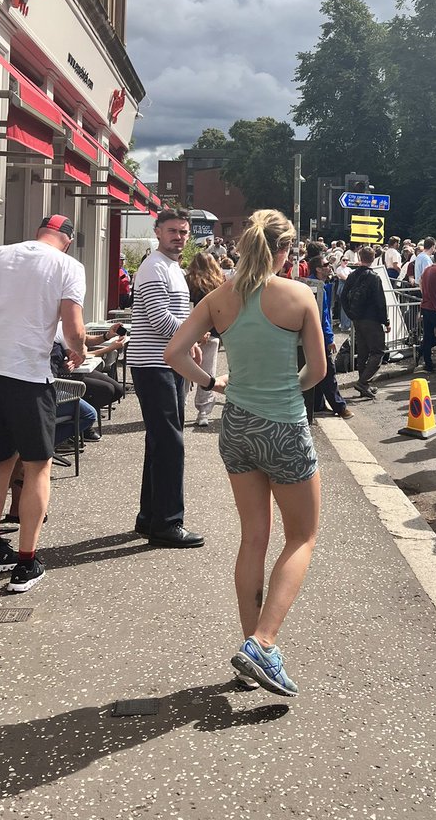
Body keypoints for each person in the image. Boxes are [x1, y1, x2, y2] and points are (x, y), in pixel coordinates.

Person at [164, 209, 326, 697]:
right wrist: (287, 391)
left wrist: (211, 383)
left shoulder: (218, 299)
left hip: (236, 426)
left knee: (253, 536)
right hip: (283, 425)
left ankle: (249, 647)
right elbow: (316, 370)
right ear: (284, 250)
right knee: (302, 536)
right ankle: (263, 642)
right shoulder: (299, 297)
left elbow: (174, 353)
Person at [0, 214, 87, 593]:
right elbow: (72, 329)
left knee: (0, 459)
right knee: (38, 464)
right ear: (67, 240)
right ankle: (26, 561)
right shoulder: (68, 266)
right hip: (25, 371)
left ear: (39, 232)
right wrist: (79, 350)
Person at [130, 208, 205, 548]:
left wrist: (189, 347)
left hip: (168, 362)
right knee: (170, 442)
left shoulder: (172, 267)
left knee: (161, 442)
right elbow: (160, 320)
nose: (179, 237)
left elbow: (178, 314)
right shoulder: (153, 267)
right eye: (173, 230)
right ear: (158, 231)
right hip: (154, 364)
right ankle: (168, 523)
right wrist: (194, 339)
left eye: (184, 232)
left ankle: (150, 517)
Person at [306, 255, 353, 419]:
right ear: (318, 269)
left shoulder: (314, 285)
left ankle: (318, 405)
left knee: (318, 371)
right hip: (318, 336)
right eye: (326, 264)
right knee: (328, 372)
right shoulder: (317, 287)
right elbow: (323, 316)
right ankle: (340, 407)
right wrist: (329, 338)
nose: (329, 266)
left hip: (310, 336)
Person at [342, 247, 390, 399]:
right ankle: (363, 382)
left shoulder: (352, 275)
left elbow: (343, 296)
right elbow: (380, 302)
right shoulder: (374, 277)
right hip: (372, 319)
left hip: (357, 318)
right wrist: (386, 321)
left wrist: (350, 314)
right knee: (378, 351)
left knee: (363, 352)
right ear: (374, 257)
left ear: (360, 257)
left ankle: (364, 383)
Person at [185, 249, 225, 428]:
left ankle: (180, 406)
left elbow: (185, 309)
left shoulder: (187, 282)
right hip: (213, 334)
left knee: (184, 372)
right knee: (208, 374)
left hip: (189, 334)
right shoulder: (219, 284)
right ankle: (203, 413)